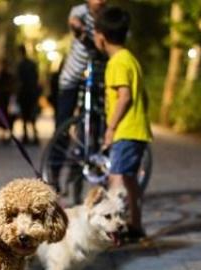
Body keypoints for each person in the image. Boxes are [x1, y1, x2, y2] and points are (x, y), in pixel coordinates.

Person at [94, 6, 152, 242]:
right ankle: (135, 225)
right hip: (137, 130)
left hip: (125, 131)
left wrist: (111, 128)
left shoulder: (116, 63)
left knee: (116, 180)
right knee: (129, 180)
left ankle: (116, 228)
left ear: (101, 36)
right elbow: (141, 96)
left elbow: (124, 96)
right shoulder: (131, 59)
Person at [49, 0, 107, 192]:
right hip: (71, 77)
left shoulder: (106, 16)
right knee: (63, 127)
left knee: (93, 124)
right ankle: (54, 175)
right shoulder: (80, 11)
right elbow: (74, 21)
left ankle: (81, 169)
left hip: (95, 76)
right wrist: (80, 28)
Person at [16, 45, 40, 144]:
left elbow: (19, 80)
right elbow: (36, 78)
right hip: (31, 92)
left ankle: (27, 136)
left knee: (26, 116)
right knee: (31, 116)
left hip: (25, 93)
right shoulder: (31, 64)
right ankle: (33, 137)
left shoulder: (21, 65)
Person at [0, 59, 15, 144]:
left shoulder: (8, 76)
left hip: (5, 99)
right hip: (0, 99)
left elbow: (11, 86)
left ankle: (6, 135)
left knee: (6, 117)